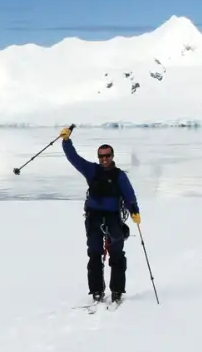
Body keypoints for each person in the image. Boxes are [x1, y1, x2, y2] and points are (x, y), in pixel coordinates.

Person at [58, 127, 141, 304]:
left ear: (112, 156)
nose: (104, 159)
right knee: (94, 253)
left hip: (113, 217)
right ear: (98, 157)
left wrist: (134, 211)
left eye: (107, 156)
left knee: (117, 254)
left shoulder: (119, 176)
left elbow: (129, 195)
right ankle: (96, 290)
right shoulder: (91, 171)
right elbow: (74, 159)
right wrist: (66, 142)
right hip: (94, 217)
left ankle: (117, 290)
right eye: (101, 156)